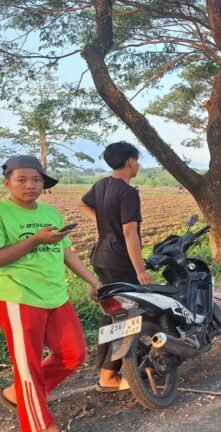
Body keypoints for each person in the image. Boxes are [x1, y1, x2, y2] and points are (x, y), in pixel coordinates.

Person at [0, 155, 101, 432]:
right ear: (7, 182)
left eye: (36, 179)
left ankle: (15, 394)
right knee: (28, 368)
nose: (30, 185)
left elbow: (66, 252)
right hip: (19, 296)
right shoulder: (2, 212)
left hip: (56, 294)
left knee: (74, 353)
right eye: (21, 179)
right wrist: (34, 240)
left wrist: (94, 282)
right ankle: (39, 426)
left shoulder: (50, 213)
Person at [78, 141, 152, 393]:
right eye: (137, 160)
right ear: (130, 162)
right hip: (120, 261)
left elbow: (82, 204)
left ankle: (105, 370)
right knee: (126, 317)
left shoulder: (101, 185)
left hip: (101, 258)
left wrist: (100, 226)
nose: (138, 165)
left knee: (109, 315)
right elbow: (130, 233)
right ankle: (109, 376)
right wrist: (140, 271)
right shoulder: (128, 192)